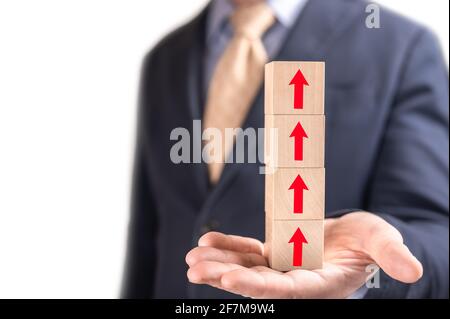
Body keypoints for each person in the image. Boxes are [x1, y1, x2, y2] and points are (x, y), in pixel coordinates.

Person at [121, 0, 449, 298]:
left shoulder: (401, 45)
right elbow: (148, 236)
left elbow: (437, 235)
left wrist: (371, 269)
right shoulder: (165, 57)